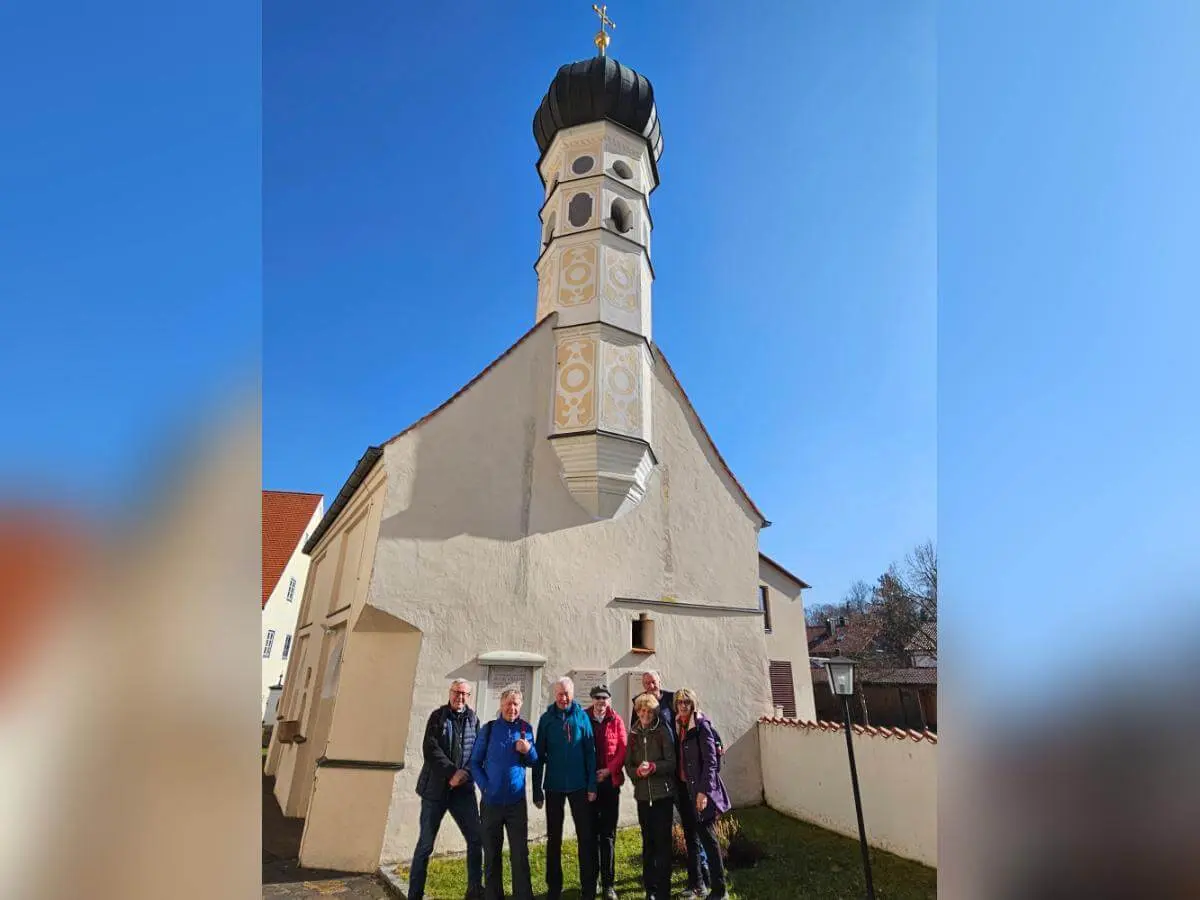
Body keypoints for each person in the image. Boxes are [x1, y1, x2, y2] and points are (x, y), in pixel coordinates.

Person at [410, 679, 484, 900]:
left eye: (464, 694)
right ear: (450, 693)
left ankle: (474, 890)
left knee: (475, 839)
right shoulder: (437, 717)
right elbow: (430, 749)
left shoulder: (473, 719)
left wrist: (464, 775)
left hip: (463, 791)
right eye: (456, 693)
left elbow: (477, 754)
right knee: (425, 845)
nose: (460, 697)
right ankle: (415, 894)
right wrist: (452, 772)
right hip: (435, 791)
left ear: (468, 697)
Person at [469, 687, 538, 900]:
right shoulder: (489, 730)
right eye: (509, 703)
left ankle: (523, 896)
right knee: (491, 855)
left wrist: (528, 750)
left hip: (516, 803)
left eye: (516, 704)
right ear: (501, 705)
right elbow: (474, 762)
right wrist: (485, 787)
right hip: (491, 803)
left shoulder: (526, 729)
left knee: (519, 855)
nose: (512, 708)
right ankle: (492, 896)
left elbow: (534, 761)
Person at [533, 676, 598, 900]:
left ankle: (588, 887)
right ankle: (554, 887)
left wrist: (592, 785)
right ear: (554, 695)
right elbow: (538, 756)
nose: (564, 698)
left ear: (572, 693)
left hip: (580, 786)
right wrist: (536, 789)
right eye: (560, 694)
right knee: (554, 838)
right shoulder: (546, 720)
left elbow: (591, 753)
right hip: (554, 787)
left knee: (585, 837)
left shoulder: (582, 717)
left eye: (567, 694)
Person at [674, 688, 732, 900]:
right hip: (687, 789)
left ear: (693, 704)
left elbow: (710, 762)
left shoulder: (701, 726)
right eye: (680, 702)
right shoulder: (680, 724)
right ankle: (706, 885)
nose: (683, 706)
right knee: (699, 837)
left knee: (709, 840)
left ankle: (720, 890)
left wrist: (703, 792)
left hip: (700, 792)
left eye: (687, 703)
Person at [625, 692, 677, 900]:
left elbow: (671, 763)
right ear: (637, 712)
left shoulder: (662, 732)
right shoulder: (634, 734)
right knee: (648, 844)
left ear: (655, 713)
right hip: (643, 797)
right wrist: (636, 772)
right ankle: (651, 890)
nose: (645, 714)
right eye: (642, 710)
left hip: (662, 795)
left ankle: (664, 891)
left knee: (663, 844)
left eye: (649, 711)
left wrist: (654, 766)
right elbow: (628, 765)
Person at [587, 684, 627, 900]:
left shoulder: (616, 720)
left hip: (610, 784)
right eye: (598, 698)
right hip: (590, 784)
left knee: (608, 835)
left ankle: (608, 884)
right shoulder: (584, 718)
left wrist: (609, 770)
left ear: (609, 701)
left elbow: (623, 748)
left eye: (605, 698)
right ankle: (592, 882)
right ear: (592, 700)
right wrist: (590, 775)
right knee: (591, 835)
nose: (601, 702)